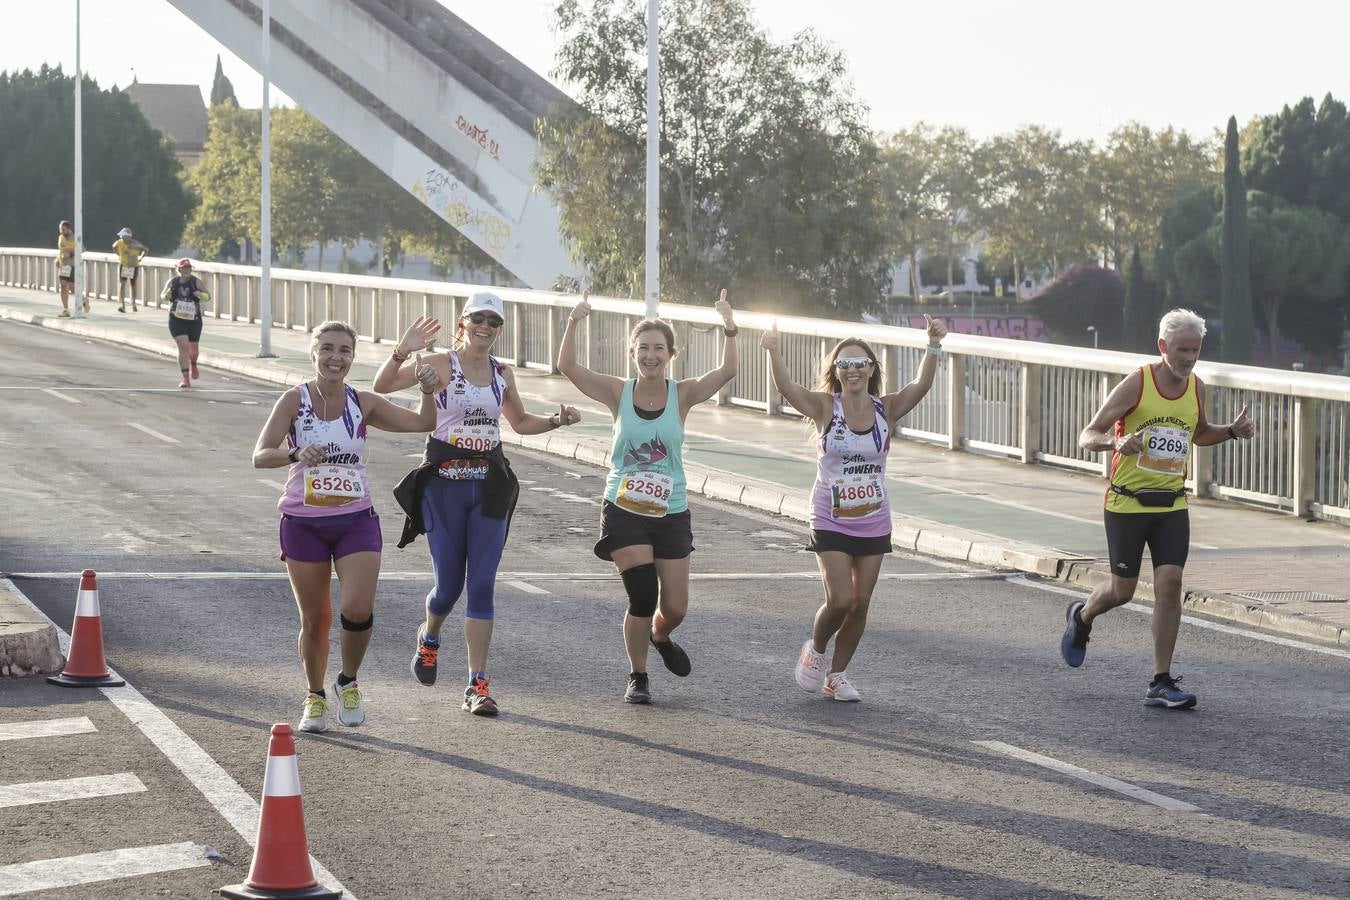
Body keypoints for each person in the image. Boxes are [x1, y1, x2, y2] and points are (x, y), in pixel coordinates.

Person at [374, 292, 580, 716]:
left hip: (489, 484)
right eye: (478, 318)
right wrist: (401, 351)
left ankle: (477, 685)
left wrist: (557, 421)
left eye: (494, 321)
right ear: (462, 322)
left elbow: (520, 423)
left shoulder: (502, 372)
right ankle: (429, 637)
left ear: (500, 328)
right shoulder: (440, 364)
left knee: (483, 583)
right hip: (444, 485)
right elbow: (382, 386)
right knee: (448, 589)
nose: (485, 326)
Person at [1061, 308, 1254, 709]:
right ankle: (1082, 617)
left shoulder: (1196, 387)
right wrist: (1116, 443)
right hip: (1127, 503)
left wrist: (1232, 432)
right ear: (1162, 346)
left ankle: (1160, 681)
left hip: (1171, 503)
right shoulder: (1138, 383)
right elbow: (1087, 434)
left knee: (1170, 587)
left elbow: (1198, 433)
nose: (1189, 358)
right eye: (1182, 349)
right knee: (1122, 591)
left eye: (1196, 350)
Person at [253, 321, 440, 733]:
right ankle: (315, 696)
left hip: (356, 520)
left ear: (352, 358)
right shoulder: (293, 400)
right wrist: (296, 453)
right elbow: (260, 455)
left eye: (344, 351)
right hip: (303, 522)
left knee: (357, 608)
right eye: (327, 349)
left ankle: (348, 681)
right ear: (313, 353)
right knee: (315, 620)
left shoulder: (363, 403)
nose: (336, 358)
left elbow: (423, 423)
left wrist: (427, 389)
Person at [557, 290, 738, 704]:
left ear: (671, 354)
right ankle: (638, 676)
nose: (650, 355)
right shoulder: (618, 392)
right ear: (632, 353)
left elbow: (729, 369)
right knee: (642, 596)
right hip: (624, 509)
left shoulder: (684, 393)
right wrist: (574, 320)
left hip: (672, 511)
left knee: (674, 608)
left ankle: (661, 634)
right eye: (643, 348)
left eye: (658, 348)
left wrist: (729, 324)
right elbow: (566, 366)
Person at [763, 316, 947, 702]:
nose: (853, 371)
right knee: (841, 599)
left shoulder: (886, 409)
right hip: (830, 515)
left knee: (862, 603)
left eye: (860, 363)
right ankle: (814, 650)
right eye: (844, 365)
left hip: (873, 518)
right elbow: (785, 387)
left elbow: (922, 385)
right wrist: (774, 350)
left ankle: (837, 675)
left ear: (872, 369)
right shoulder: (824, 407)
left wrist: (932, 346)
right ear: (835, 371)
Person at [160, 258, 210, 388]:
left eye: (188, 268)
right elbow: (163, 296)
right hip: (176, 319)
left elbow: (208, 296)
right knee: (183, 347)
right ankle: (185, 378)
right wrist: (167, 294)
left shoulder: (196, 282)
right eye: (184, 268)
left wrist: (200, 294)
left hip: (193, 320)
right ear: (179, 269)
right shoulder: (173, 282)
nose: (186, 270)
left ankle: (193, 363)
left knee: (193, 350)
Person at [112, 227, 149, 313]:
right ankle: (123, 304)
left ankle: (133, 303)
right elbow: (114, 246)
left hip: (133, 266)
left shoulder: (136, 244)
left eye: (123, 236)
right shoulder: (119, 242)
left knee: (133, 285)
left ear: (128, 237)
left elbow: (146, 250)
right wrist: (119, 255)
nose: (122, 238)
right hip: (124, 265)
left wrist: (141, 258)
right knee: (122, 285)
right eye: (122, 236)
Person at [55, 220, 82, 317]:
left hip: (72, 265)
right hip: (63, 266)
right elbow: (61, 250)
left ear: (69, 229)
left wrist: (70, 254)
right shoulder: (60, 237)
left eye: (64, 229)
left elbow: (82, 249)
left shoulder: (75, 238)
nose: (62, 231)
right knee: (63, 286)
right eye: (60, 229)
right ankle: (66, 309)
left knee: (72, 287)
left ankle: (83, 299)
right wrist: (58, 259)